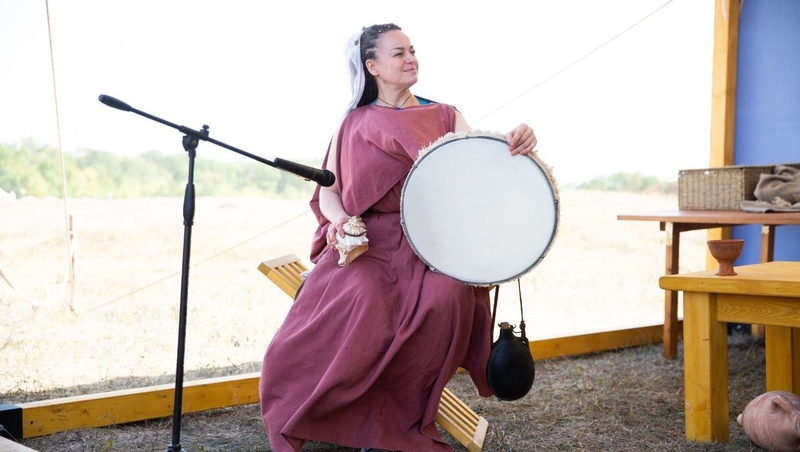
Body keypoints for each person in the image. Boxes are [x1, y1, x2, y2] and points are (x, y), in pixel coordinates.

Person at [259, 23, 538, 452]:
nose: (411, 59)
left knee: (446, 298)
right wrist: (336, 223)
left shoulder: (445, 115)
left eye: (412, 50)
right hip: (370, 243)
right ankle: (343, 413)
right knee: (365, 297)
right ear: (372, 66)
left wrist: (516, 140)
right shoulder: (353, 123)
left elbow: (481, 164)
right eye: (398, 53)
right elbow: (329, 192)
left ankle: (399, 419)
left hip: (434, 246)